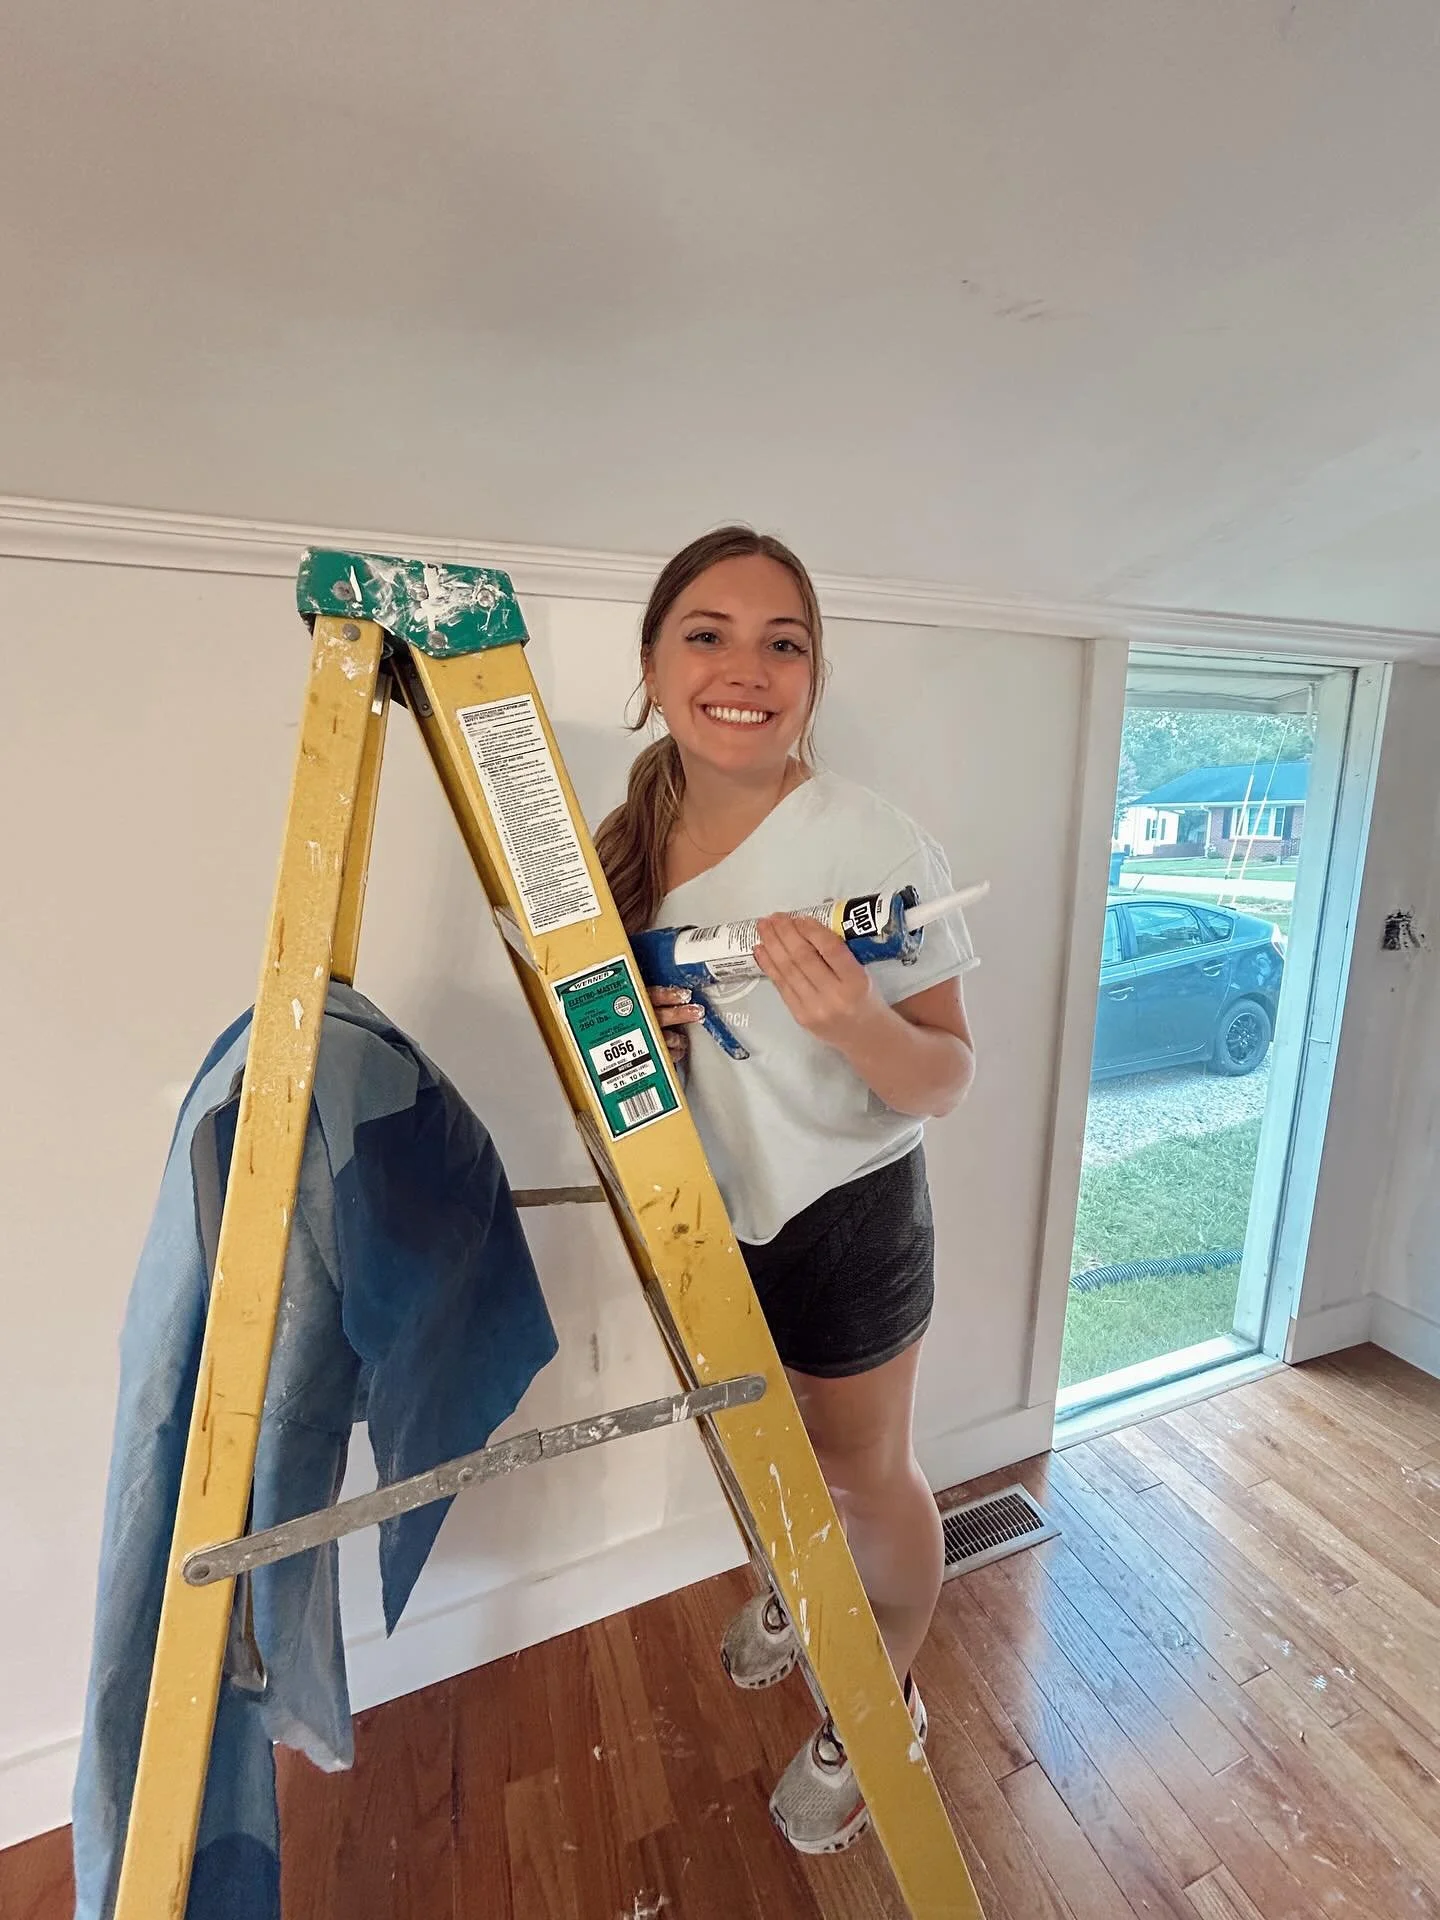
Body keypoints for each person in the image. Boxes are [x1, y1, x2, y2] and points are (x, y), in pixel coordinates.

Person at [594, 526, 977, 1856]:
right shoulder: (613, 847)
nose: (744, 667)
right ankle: (788, 1590)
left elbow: (942, 1078)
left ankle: (880, 1706)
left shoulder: (873, 838)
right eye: (707, 632)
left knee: (866, 1477)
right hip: (700, 1215)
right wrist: (626, 1044)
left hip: (851, 1215)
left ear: (815, 675)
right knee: (758, 1454)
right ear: (652, 663)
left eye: (783, 641)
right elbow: (590, 1074)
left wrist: (860, 1023)